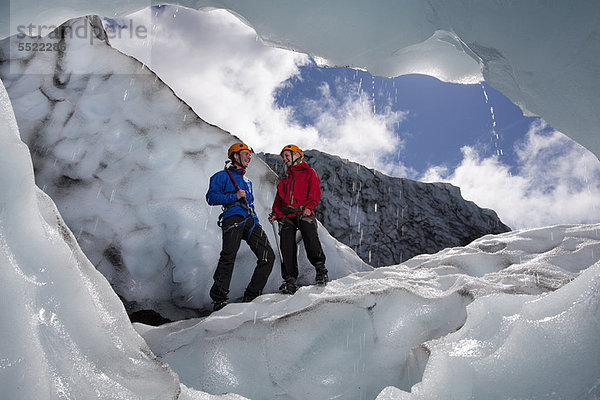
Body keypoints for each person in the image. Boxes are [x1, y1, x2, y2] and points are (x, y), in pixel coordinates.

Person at [206, 142, 275, 311]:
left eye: (250, 155)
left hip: (250, 220)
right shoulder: (221, 176)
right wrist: (234, 196)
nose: (249, 157)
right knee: (228, 257)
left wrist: (257, 224)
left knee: (268, 256)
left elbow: (250, 203)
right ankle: (219, 299)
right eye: (245, 154)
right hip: (233, 218)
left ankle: (251, 295)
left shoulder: (247, 181)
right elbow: (211, 198)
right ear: (235, 156)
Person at [269, 144, 327, 294]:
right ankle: (290, 280)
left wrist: (308, 207)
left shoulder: (309, 173)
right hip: (288, 216)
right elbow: (278, 202)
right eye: (283, 157)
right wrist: (275, 213)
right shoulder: (284, 182)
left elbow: (314, 193)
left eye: (287, 156)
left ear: (297, 155)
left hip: (304, 212)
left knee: (309, 235)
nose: (285, 159)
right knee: (286, 244)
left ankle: (320, 268)